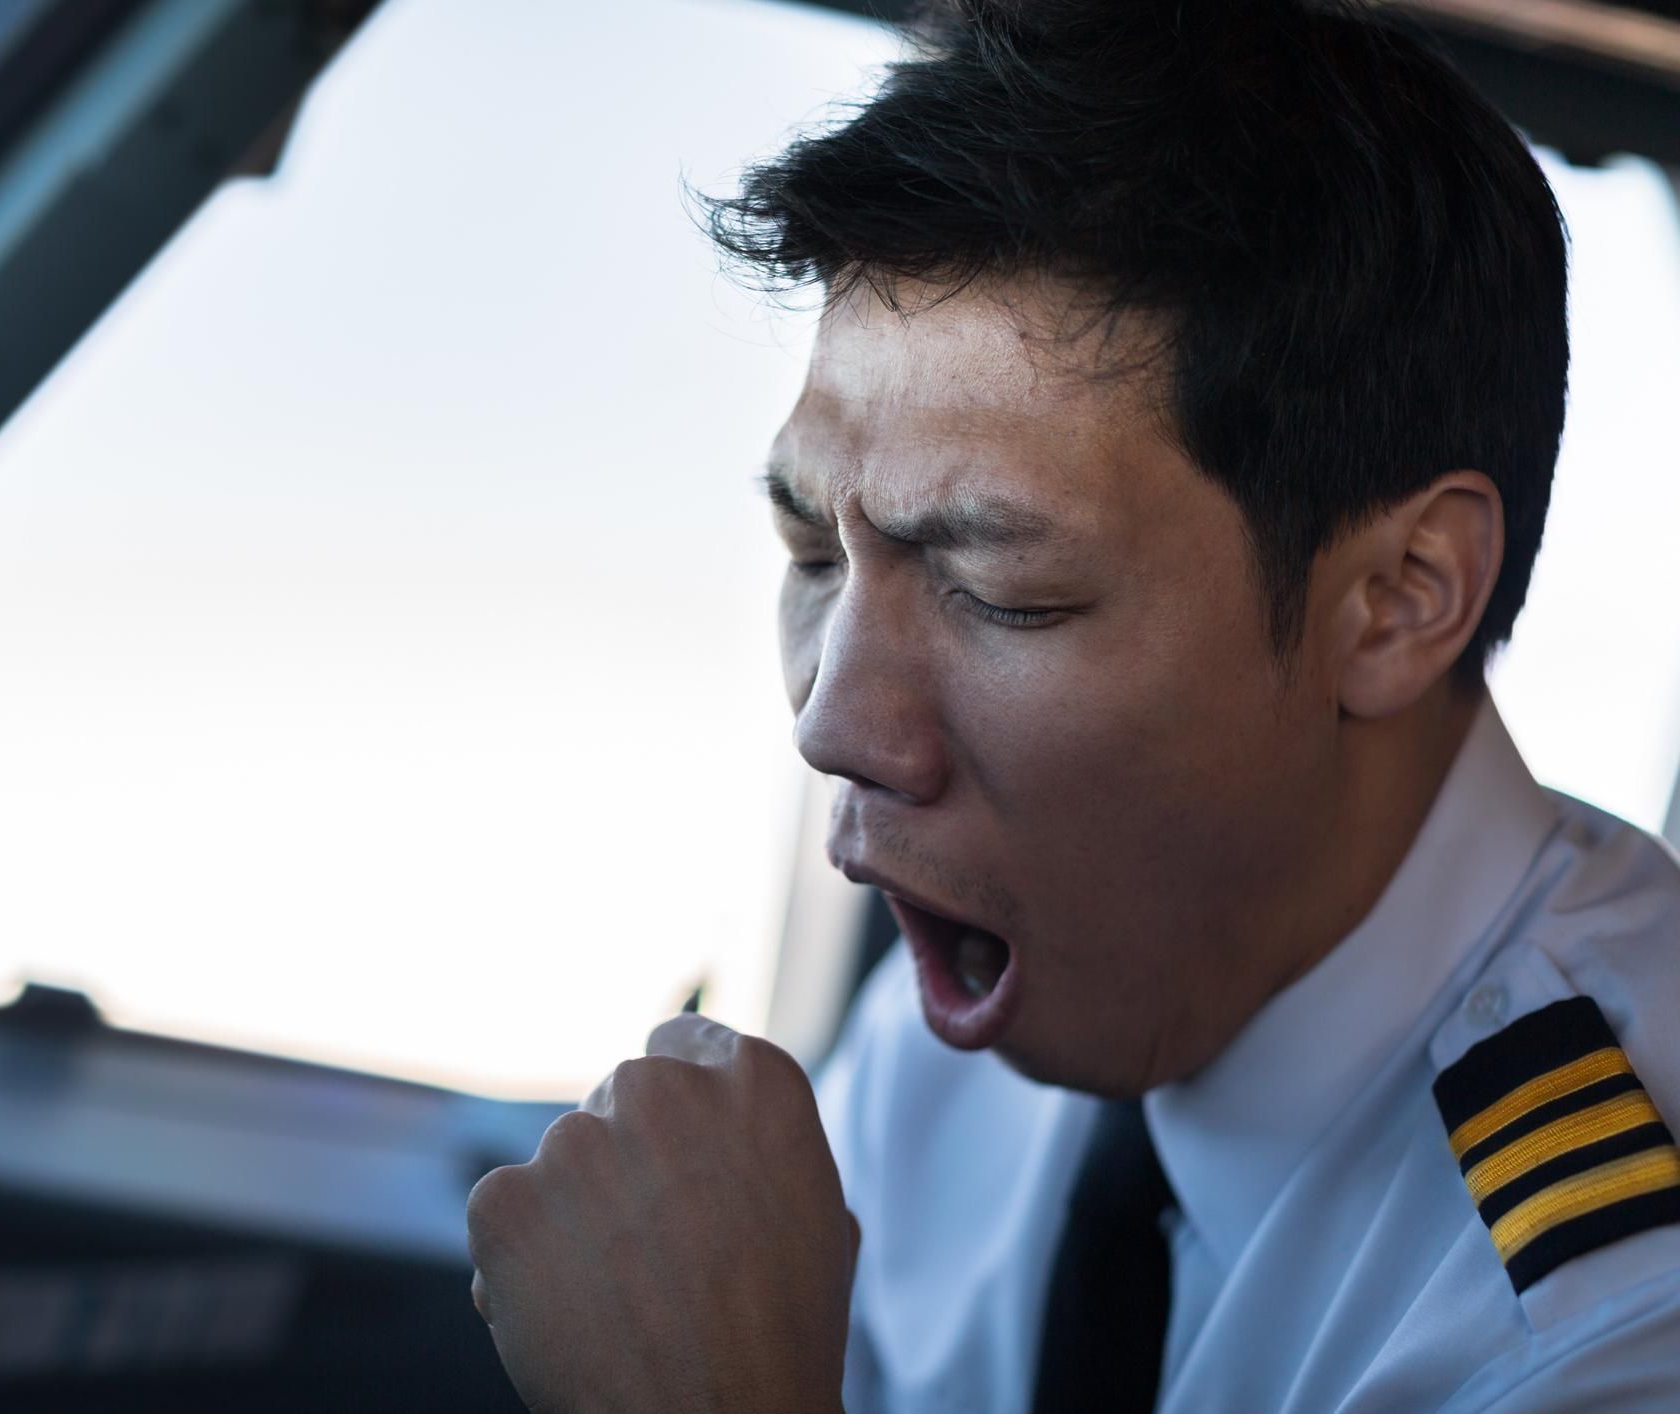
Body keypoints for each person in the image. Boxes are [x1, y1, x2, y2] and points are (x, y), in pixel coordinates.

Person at [464, 0, 1680, 1408]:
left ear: (1399, 596)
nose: (832, 726)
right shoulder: (959, 1036)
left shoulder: (1614, 1307)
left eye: (1002, 593)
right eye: (813, 556)